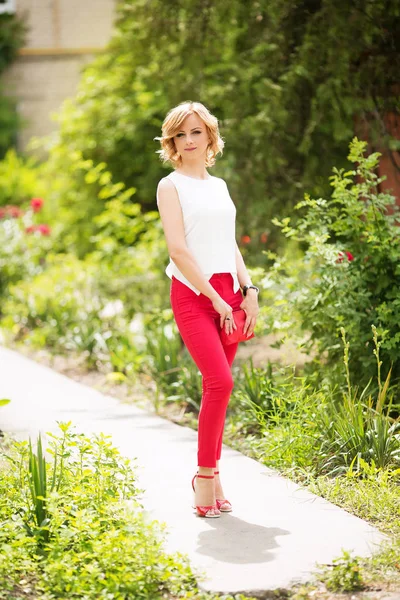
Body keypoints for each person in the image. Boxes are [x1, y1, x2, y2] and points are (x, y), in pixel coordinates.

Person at [155, 101, 260, 518]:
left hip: (230, 291)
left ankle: (213, 477)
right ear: (172, 142)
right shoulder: (170, 186)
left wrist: (248, 289)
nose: (189, 141)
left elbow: (228, 241)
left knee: (216, 387)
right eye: (181, 135)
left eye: (196, 132)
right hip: (193, 294)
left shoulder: (217, 186)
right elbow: (178, 250)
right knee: (220, 382)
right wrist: (215, 299)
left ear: (210, 136)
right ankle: (203, 476)